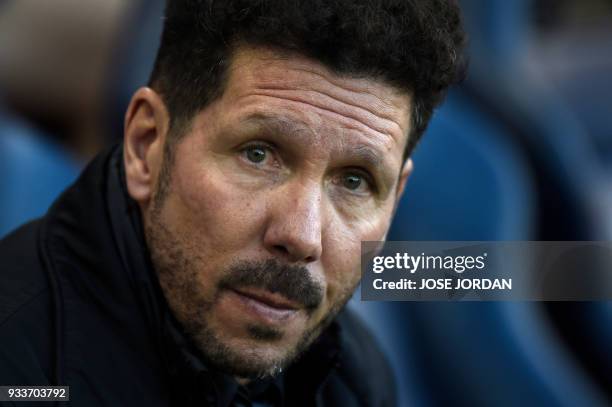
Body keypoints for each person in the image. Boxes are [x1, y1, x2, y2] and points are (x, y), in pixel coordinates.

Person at [0, 0, 465, 405]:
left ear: (396, 197)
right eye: (258, 154)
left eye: (356, 182)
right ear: (147, 145)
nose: (302, 236)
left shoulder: (353, 377)